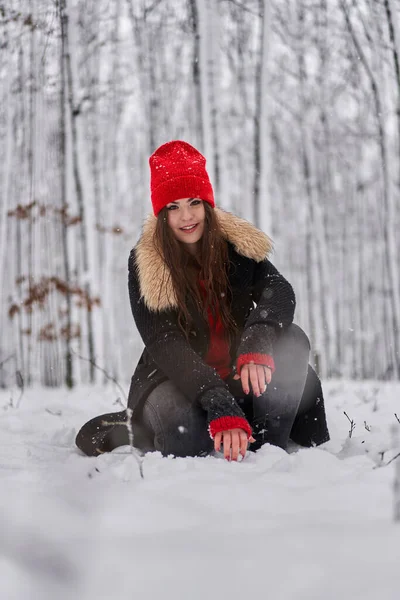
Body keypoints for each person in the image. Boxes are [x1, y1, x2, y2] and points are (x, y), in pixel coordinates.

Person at [76, 140, 329, 461]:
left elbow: (278, 291)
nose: (186, 216)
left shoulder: (235, 246)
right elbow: (163, 341)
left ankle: (268, 449)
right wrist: (218, 401)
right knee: (187, 438)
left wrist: (257, 342)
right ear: (162, 212)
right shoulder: (146, 262)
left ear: (207, 203)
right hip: (178, 379)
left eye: (194, 202)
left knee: (292, 338)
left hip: (242, 377)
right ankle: (143, 424)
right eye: (173, 206)